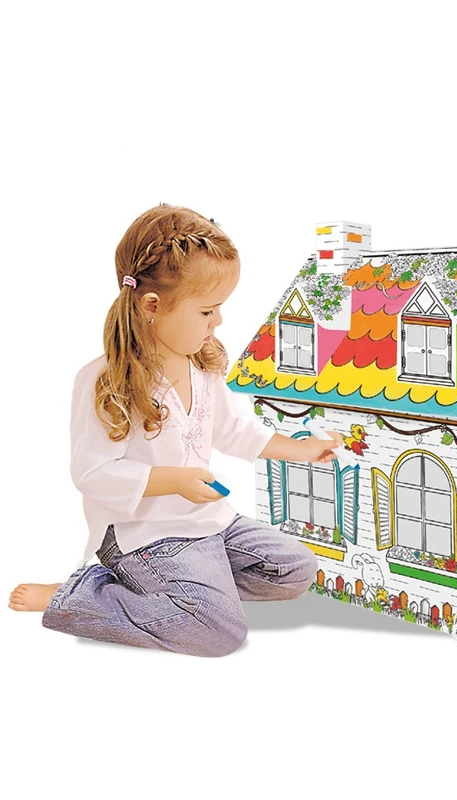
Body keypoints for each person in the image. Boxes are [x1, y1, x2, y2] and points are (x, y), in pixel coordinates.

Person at [8, 204, 344, 656]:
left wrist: (303, 449)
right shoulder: (105, 381)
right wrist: (174, 481)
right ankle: (76, 596)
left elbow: (235, 431)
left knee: (296, 569)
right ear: (152, 306)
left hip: (209, 523)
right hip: (143, 533)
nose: (218, 321)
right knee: (219, 632)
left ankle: (189, 588)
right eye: (207, 311)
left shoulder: (201, 369)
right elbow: (91, 472)